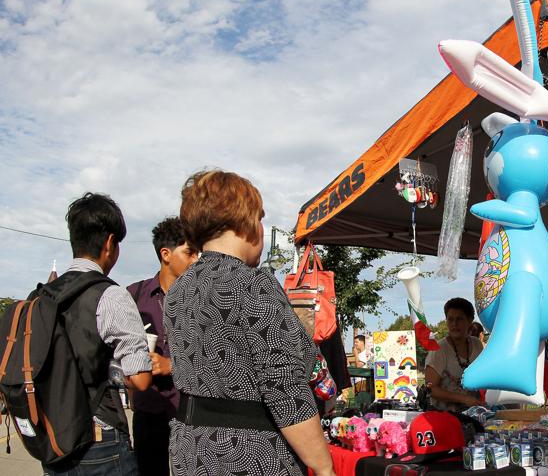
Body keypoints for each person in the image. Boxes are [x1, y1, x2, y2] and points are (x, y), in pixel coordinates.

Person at [164, 170, 334, 476]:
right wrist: (323, 467)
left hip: (191, 452)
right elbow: (285, 390)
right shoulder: (252, 284)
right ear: (243, 220)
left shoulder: (179, 289)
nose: (260, 227)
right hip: (249, 455)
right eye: (258, 217)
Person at [46, 193, 153, 475]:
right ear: (109, 243)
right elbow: (140, 379)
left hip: (51, 437)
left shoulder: (41, 297)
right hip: (98, 439)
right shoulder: (110, 295)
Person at [126, 217, 198, 476]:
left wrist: (173, 366)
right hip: (149, 411)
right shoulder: (134, 296)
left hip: (191, 413)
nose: (196, 260)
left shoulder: (202, 299)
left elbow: (215, 358)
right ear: (165, 254)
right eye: (190, 252)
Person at [424, 298, 485, 411]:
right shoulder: (439, 349)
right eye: (450, 319)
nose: (454, 324)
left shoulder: (477, 344)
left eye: (459, 319)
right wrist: (463, 399)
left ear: (470, 320)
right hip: (444, 417)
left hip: (473, 415)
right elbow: (430, 388)